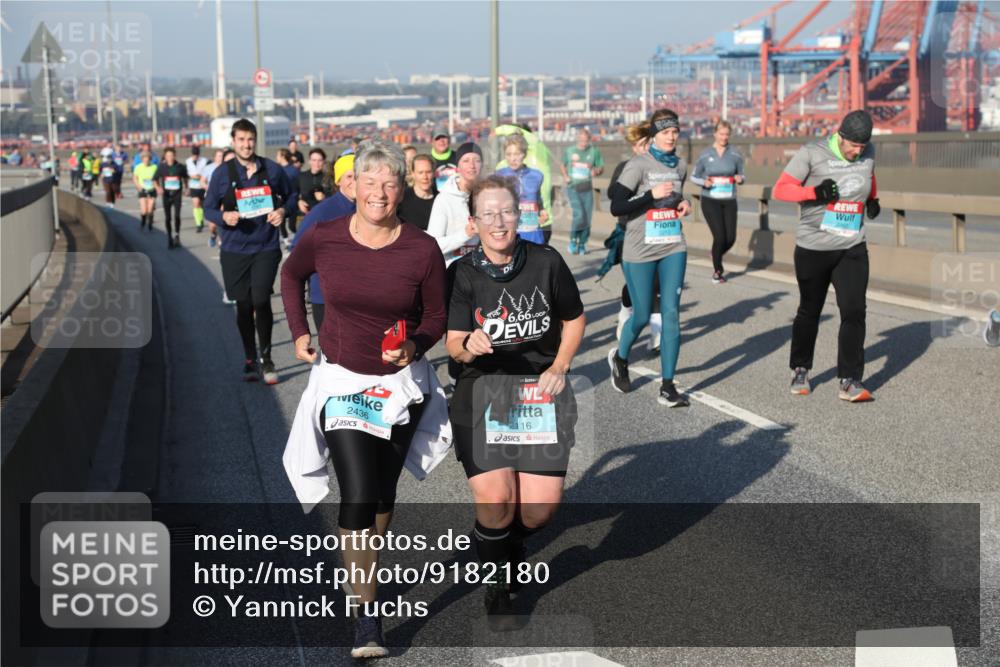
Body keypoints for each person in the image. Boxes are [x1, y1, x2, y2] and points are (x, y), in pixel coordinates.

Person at [280, 139, 450, 660]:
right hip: (342, 382)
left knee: (382, 499)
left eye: (389, 183)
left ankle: (363, 575)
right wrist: (299, 330)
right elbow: (291, 274)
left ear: (401, 189)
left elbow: (437, 317)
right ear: (352, 186)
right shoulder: (326, 236)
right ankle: (368, 617)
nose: (379, 192)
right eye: (369, 181)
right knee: (356, 494)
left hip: (399, 388)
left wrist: (417, 345)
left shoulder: (421, 248)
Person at [446, 175, 585, 628]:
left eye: (506, 211)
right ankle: (498, 584)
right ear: (473, 222)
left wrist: (560, 365)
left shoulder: (546, 261)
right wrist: (471, 344)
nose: (499, 221)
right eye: (488, 213)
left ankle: (506, 541)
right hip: (481, 393)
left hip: (538, 393)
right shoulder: (462, 273)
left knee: (539, 511)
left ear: (520, 214)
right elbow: (452, 344)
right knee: (497, 500)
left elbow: (574, 318)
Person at [773, 109, 879, 402]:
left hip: (852, 245)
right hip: (814, 247)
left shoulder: (869, 151)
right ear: (840, 136)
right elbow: (781, 190)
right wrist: (814, 194)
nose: (857, 151)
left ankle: (850, 379)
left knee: (855, 310)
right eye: (852, 146)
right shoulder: (812, 153)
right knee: (810, 310)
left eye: (862, 146)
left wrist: (873, 198)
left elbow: (869, 175)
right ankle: (800, 368)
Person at [607, 108, 692, 408]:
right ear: (654, 135)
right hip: (639, 249)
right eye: (665, 132)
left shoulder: (680, 166)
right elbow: (617, 205)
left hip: (672, 245)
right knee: (642, 315)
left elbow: (678, 195)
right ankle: (620, 357)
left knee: (670, 313)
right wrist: (650, 195)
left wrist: (685, 205)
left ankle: (668, 385)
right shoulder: (638, 165)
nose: (671, 137)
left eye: (675, 132)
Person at [203, 118, 296, 385]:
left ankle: (267, 359)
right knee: (243, 305)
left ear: (256, 141)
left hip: (265, 246)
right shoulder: (221, 174)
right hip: (234, 249)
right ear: (233, 142)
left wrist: (281, 211)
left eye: (250, 139)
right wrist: (224, 217)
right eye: (241, 140)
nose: (246, 145)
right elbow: (210, 207)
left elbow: (290, 196)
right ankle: (249, 358)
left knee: (260, 299)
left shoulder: (273, 169)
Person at [608, 126, 662, 351]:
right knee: (635, 286)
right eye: (641, 145)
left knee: (657, 284)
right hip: (630, 233)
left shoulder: (661, 165)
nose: (645, 148)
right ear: (634, 147)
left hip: (658, 232)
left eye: (648, 144)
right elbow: (613, 196)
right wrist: (643, 193)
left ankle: (657, 335)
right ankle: (625, 310)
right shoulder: (626, 167)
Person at [292, 153, 358, 333]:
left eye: (359, 175)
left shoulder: (367, 209)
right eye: (349, 176)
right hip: (325, 296)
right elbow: (298, 247)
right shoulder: (322, 211)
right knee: (332, 355)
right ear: (338, 181)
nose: (355, 181)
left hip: (359, 294)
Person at [691, 120, 745, 283]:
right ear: (715, 134)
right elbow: (694, 176)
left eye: (727, 134)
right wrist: (703, 182)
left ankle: (715, 253)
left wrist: (739, 178)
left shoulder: (735, 155)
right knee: (720, 237)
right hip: (710, 200)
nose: (724, 137)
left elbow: (743, 175)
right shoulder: (706, 154)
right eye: (721, 134)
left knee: (731, 238)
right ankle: (717, 271)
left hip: (729, 200)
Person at [427, 142, 483, 267]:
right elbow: (432, 246)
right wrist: (465, 234)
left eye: (477, 160)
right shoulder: (444, 199)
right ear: (457, 167)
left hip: (484, 272)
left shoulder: (488, 197)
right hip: (455, 273)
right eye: (466, 160)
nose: (472, 165)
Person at [495, 132, 547, 245]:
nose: (512, 158)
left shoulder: (537, 175)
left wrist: (542, 212)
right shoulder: (498, 176)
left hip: (532, 233)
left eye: (517, 154)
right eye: (508, 154)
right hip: (510, 235)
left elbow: (537, 199)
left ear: (524, 154)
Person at [560, 128, 603, 254]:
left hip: (587, 188)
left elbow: (600, 166)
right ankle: (573, 241)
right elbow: (562, 164)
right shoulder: (570, 151)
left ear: (589, 140)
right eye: (581, 140)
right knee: (579, 215)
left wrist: (597, 171)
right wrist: (565, 176)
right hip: (573, 187)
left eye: (586, 141)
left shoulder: (594, 151)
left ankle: (582, 243)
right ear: (577, 139)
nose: (583, 143)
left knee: (587, 218)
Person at [154, 147, 189, 249]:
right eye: (167, 156)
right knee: (168, 218)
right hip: (166, 195)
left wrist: (186, 188)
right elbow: (154, 179)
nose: (170, 157)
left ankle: (177, 235)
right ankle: (169, 237)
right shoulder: (161, 167)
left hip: (177, 194)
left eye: (171, 155)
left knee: (177, 216)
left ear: (174, 156)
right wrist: (158, 188)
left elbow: (185, 178)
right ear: (165, 156)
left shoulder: (180, 167)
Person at [396, 153, 436, 231]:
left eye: (428, 172)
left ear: (434, 173)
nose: (425, 177)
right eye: (420, 172)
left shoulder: (441, 199)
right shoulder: (401, 198)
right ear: (413, 174)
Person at [297, 148, 334, 221]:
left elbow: (336, 197)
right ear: (309, 161)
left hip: (324, 217)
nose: (316, 163)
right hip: (305, 217)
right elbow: (293, 194)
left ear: (324, 161)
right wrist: (298, 202)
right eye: (314, 160)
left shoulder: (329, 178)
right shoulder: (301, 176)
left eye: (320, 160)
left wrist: (324, 197)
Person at [276, 148, 302, 247]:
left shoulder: (293, 170)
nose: (276, 157)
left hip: (293, 200)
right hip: (280, 200)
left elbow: (299, 185)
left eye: (278, 155)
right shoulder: (277, 169)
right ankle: (286, 240)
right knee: (281, 222)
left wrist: (299, 197)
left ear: (283, 156)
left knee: (292, 225)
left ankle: (297, 239)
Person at [202, 149, 225, 248]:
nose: (220, 158)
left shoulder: (227, 168)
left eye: (222, 156)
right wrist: (209, 188)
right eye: (219, 156)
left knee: (222, 220)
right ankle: (213, 234)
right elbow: (202, 182)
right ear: (214, 157)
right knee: (212, 225)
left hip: (223, 198)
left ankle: (222, 241)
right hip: (212, 198)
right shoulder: (208, 168)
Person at [186, 145, 210, 234]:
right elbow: (186, 173)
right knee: (196, 204)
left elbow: (209, 171)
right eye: (194, 154)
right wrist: (191, 177)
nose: (195, 156)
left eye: (197, 154)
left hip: (203, 186)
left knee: (203, 205)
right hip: (193, 186)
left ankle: (201, 217)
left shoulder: (205, 161)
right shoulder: (187, 161)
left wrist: (201, 176)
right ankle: (198, 223)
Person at [133, 151, 159, 230]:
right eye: (144, 158)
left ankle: (150, 223)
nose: (146, 160)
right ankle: (143, 221)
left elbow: (157, 178)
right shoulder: (138, 167)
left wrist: (158, 187)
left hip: (152, 190)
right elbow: (135, 178)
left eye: (147, 158)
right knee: (144, 211)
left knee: (150, 209)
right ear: (142, 159)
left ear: (150, 159)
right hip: (142, 190)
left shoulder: (154, 167)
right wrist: (138, 186)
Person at [430, 126, 457, 191]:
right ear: (432, 142)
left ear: (449, 139)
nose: (441, 141)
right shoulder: (427, 161)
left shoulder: (459, 157)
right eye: (437, 138)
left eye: (444, 137)